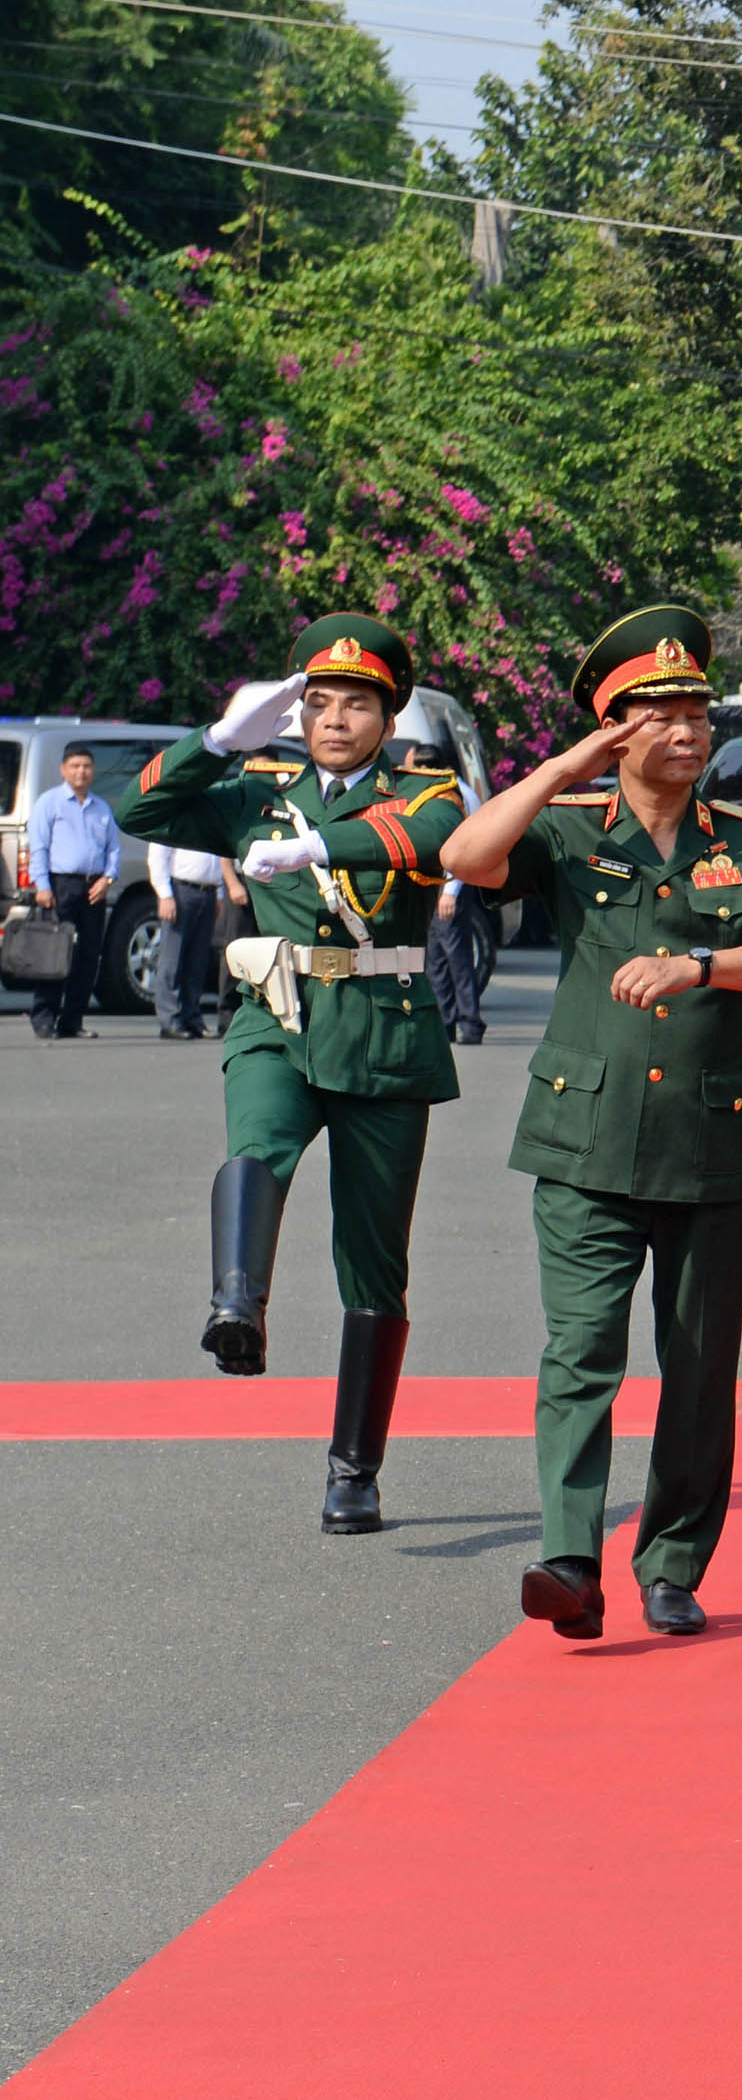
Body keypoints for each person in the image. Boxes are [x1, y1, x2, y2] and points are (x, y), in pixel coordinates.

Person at [440, 605, 742, 1641]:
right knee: (581, 1349)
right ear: (617, 731)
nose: (688, 730)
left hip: (709, 1144)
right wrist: (563, 768)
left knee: (698, 1368)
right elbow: (468, 858)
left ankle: (672, 1563)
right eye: (659, 714)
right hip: (584, 1140)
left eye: (697, 710)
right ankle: (569, 1556)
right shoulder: (565, 831)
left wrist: (699, 965)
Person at [112, 617, 467, 1531]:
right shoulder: (256, 787)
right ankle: (238, 1305)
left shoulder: (425, 788)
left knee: (375, 1259)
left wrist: (316, 847)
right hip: (276, 1014)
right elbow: (138, 813)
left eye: (357, 704)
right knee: (257, 1139)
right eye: (318, 702)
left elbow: (430, 838)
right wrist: (220, 740)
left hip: (383, 1034)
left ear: (388, 718)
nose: (335, 718)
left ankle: (354, 1468)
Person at [24, 739, 120, 1038]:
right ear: (63, 770)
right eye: (75, 766)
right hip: (60, 885)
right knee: (54, 953)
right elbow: (37, 847)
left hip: (94, 887)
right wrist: (42, 885)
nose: (81, 772)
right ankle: (43, 1017)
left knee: (88, 955)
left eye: (87, 766)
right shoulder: (49, 803)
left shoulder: (101, 808)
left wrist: (108, 879)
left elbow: (113, 851)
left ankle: (72, 1021)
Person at [405, 742, 493, 1044]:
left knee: (457, 957)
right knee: (437, 960)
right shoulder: (445, 791)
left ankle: (470, 1022)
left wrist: (450, 891)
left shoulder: (457, 795)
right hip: (436, 885)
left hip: (451, 886)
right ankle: (445, 1021)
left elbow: (467, 846)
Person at [147, 834, 230, 1039]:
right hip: (182, 888)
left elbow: (217, 856)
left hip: (208, 890)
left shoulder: (211, 817)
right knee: (172, 958)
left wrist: (219, 894)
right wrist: (165, 894)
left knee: (198, 961)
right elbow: (158, 856)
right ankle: (170, 1018)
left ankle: (191, 1016)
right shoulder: (178, 815)